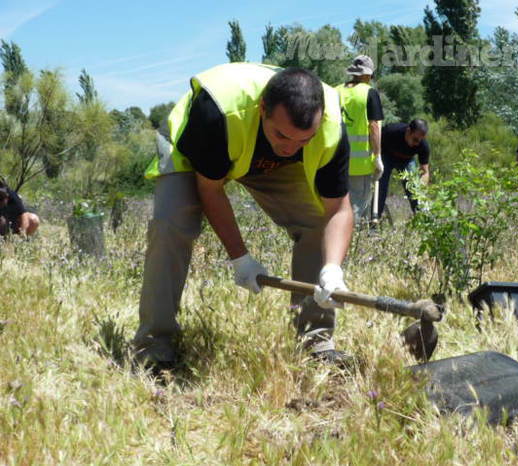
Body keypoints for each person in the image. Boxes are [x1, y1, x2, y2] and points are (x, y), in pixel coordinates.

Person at [133, 63, 354, 370]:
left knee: (317, 220)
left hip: (262, 161)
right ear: (263, 107)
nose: (290, 148)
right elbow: (209, 190)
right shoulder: (218, 111)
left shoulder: (331, 126)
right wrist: (240, 258)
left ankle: (315, 340)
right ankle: (155, 343)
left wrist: (331, 269)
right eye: (282, 135)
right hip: (200, 148)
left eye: (303, 141)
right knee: (170, 225)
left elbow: (338, 210)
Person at [335, 55, 384, 222]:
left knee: (335, 208)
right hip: (359, 166)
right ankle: (348, 244)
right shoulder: (369, 93)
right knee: (355, 209)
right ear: (366, 75)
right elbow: (374, 127)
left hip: (334, 162)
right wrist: (377, 158)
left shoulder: (335, 91)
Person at [377, 119, 430, 218]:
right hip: (386, 156)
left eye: (420, 140)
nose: (417, 143)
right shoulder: (391, 131)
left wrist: (420, 187)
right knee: (380, 189)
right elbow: (374, 142)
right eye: (415, 140)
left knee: (415, 191)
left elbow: (425, 172)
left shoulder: (423, 145)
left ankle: (423, 221)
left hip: (406, 161)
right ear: (408, 131)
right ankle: (373, 221)